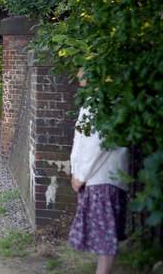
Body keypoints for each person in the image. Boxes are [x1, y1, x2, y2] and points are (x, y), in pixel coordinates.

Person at [68, 69, 129, 274]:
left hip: (101, 178)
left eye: (82, 72)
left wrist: (80, 175)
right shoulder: (99, 100)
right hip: (99, 177)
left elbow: (97, 143)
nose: (78, 76)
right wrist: (76, 172)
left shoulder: (103, 102)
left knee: (105, 235)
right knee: (104, 234)